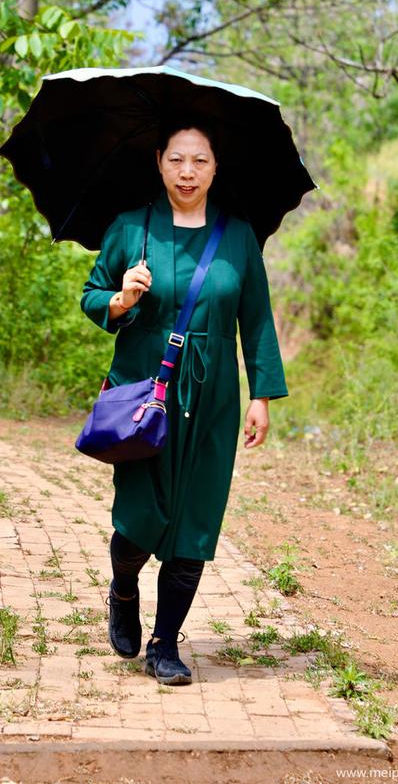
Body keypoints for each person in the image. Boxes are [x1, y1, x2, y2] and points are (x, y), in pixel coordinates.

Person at [80, 116, 287, 685]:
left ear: (216, 167)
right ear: (159, 162)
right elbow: (92, 296)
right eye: (177, 159)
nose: (187, 171)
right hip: (144, 389)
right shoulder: (131, 227)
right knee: (140, 513)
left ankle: (165, 644)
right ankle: (124, 590)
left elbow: (258, 319)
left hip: (215, 392)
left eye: (199, 160)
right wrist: (121, 300)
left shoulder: (239, 236)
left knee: (195, 518)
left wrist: (262, 394)